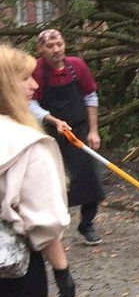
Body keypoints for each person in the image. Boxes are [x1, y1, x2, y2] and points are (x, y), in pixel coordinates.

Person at [0, 45, 75, 297]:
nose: (34, 85)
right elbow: (44, 220)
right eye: (25, 77)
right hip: (13, 272)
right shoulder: (26, 144)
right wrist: (61, 269)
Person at [30, 29, 104, 245]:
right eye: (50, 46)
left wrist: (93, 130)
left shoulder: (77, 66)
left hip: (79, 129)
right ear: (41, 48)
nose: (56, 50)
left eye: (59, 44)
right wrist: (54, 121)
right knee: (52, 181)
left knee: (90, 178)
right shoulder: (36, 71)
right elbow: (30, 104)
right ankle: (51, 229)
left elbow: (90, 96)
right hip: (49, 131)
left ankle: (87, 224)